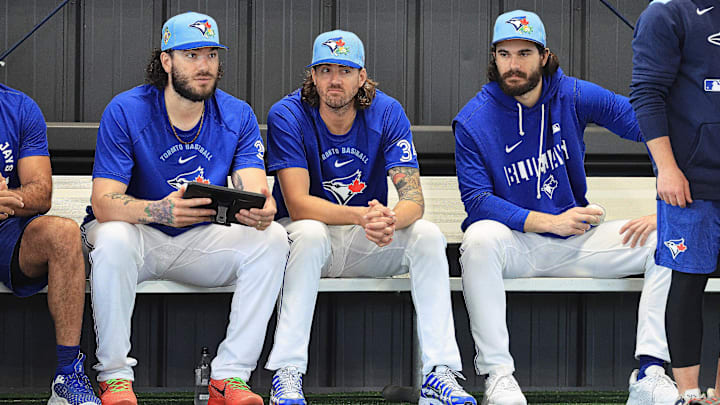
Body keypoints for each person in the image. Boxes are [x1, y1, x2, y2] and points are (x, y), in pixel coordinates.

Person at [453, 10, 677, 405]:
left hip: (578, 242)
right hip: (518, 245)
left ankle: (650, 371)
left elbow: (645, 124)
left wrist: (666, 189)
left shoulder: (570, 94)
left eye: (524, 52)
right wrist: (548, 221)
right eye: (504, 54)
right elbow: (476, 201)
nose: (514, 64)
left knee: (670, 238)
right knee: (478, 239)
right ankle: (498, 377)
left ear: (544, 55)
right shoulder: (473, 119)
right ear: (494, 58)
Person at [81, 12, 288, 405]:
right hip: (139, 240)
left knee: (274, 238)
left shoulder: (237, 114)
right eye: (191, 55)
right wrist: (159, 211)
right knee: (112, 237)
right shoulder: (127, 110)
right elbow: (104, 202)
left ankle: (229, 378)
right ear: (166, 61)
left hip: (200, 242)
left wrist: (261, 209)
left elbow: (257, 189)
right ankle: (115, 377)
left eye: (211, 55)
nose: (204, 66)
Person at [263, 30, 476, 405]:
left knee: (426, 236)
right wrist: (364, 215)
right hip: (305, 241)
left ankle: (439, 371)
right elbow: (298, 204)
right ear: (312, 75)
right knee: (310, 233)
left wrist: (389, 220)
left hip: (365, 239)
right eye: (325, 69)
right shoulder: (289, 113)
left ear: (361, 76)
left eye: (344, 70)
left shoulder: (387, 111)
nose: (334, 80)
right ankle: (287, 373)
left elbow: (413, 199)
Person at [630, 1, 720, 403]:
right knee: (687, 284)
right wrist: (665, 167)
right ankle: (688, 394)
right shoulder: (666, 13)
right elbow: (646, 93)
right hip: (689, 180)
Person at [0, 84, 100, 405]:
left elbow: (41, 194)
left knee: (63, 233)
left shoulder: (19, 108)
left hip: (8, 229)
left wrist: (11, 198)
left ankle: (67, 376)